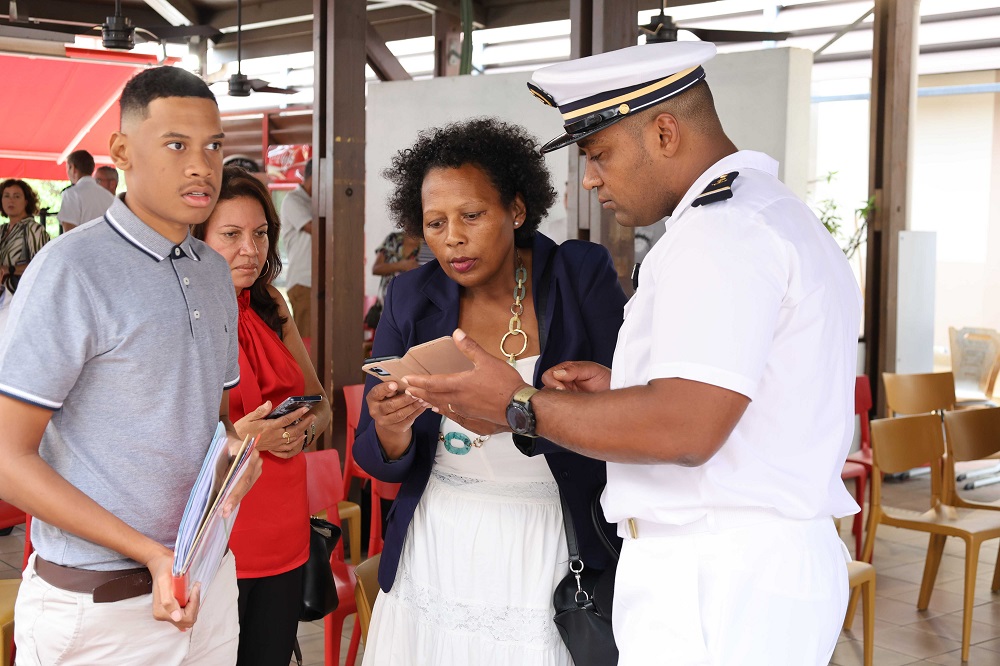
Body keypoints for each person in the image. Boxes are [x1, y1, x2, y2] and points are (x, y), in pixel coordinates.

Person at [404, 42, 862, 666]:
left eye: (599, 154)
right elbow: (726, 398)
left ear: (665, 132)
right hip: (745, 562)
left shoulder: (720, 234)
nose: (591, 178)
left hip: (715, 575)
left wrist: (516, 402)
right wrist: (623, 389)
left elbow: (685, 429)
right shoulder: (769, 213)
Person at [0, 65, 262, 665]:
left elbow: (209, 424)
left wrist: (233, 460)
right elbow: (7, 460)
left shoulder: (212, 271)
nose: (201, 166)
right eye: (176, 145)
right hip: (101, 608)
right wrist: (147, 552)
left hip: (205, 582)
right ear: (122, 152)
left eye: (213, 146)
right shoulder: (70, 269)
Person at [354, 117, 626, 665]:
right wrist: (390, 429)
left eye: (472, 215)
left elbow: (628, 413)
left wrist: (543, 405)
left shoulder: (577, 275)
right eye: (435, 223)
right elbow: (372, 455)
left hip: (551, 537)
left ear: (516, 210)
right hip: (438, 537)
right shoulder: (410, 297)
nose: (452, 237)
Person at [193, 166, 332, 666]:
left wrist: (300, 433)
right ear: (196, 239)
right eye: (231, 235)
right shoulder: (183, 311)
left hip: (285, 524)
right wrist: (242, 438)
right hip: (218, 531)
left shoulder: (271, 301)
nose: (250, 250)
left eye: (260, 234)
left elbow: (320, 402)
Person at [279, 159, 314, 335]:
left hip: (319, 283)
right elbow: (315, 228)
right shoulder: (293, 199)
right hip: (304, 282)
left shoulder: (318, 201)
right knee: (308, 342)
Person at [0, 179, 51, 295]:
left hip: (22, 295)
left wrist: (9, 269)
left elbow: (42, 265)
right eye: (6, 196)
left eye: (17, 196)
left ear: (26, 202)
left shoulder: (34, 229)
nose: (11, 200)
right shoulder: (2, 230)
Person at [57, 149, 115, 232]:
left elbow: (69, 232)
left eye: (67, 168)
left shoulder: (72, 194)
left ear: (72, 168)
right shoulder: (109, 197)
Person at [372, 230, 420, 302]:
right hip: (388, 301)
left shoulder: (428, 243)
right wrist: (400, 265)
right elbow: (376, 269)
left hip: (414, 301)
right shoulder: (393, 239)